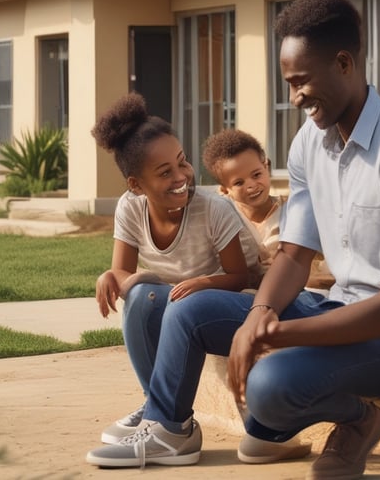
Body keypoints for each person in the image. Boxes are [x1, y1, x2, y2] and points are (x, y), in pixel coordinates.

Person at [86, 0, 380, 480]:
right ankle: (168, 428)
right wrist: (259, 313)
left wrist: (273, 333)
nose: (294, 97)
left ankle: (357, 420)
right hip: (337, 308)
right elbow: (293, 255)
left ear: (344, 63)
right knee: (187, 308)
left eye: (302, 81)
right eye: (288, 82)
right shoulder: (309, 143)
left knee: (268, 384)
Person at [90, 93, 259, 445]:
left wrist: (199, 283)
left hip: (226, 302)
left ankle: (164, 417)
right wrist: (111, 276)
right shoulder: (130, 208)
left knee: (150, 294)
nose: (182, 176)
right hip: (179, 301)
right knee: (141, 297)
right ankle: (160, 408)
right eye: (165, 172)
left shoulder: (213, 209)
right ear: (136, 185)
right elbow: (124, 276)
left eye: (182, 162)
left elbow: (240, 277)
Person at [202, 128, 334, 290]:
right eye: (239, 183)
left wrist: (288, 266)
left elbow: (327, 264)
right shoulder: (222, 220)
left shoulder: (296, 210)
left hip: (294, 296)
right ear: (224, 190)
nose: (251, 185)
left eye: (256, 175)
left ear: (267, 167)